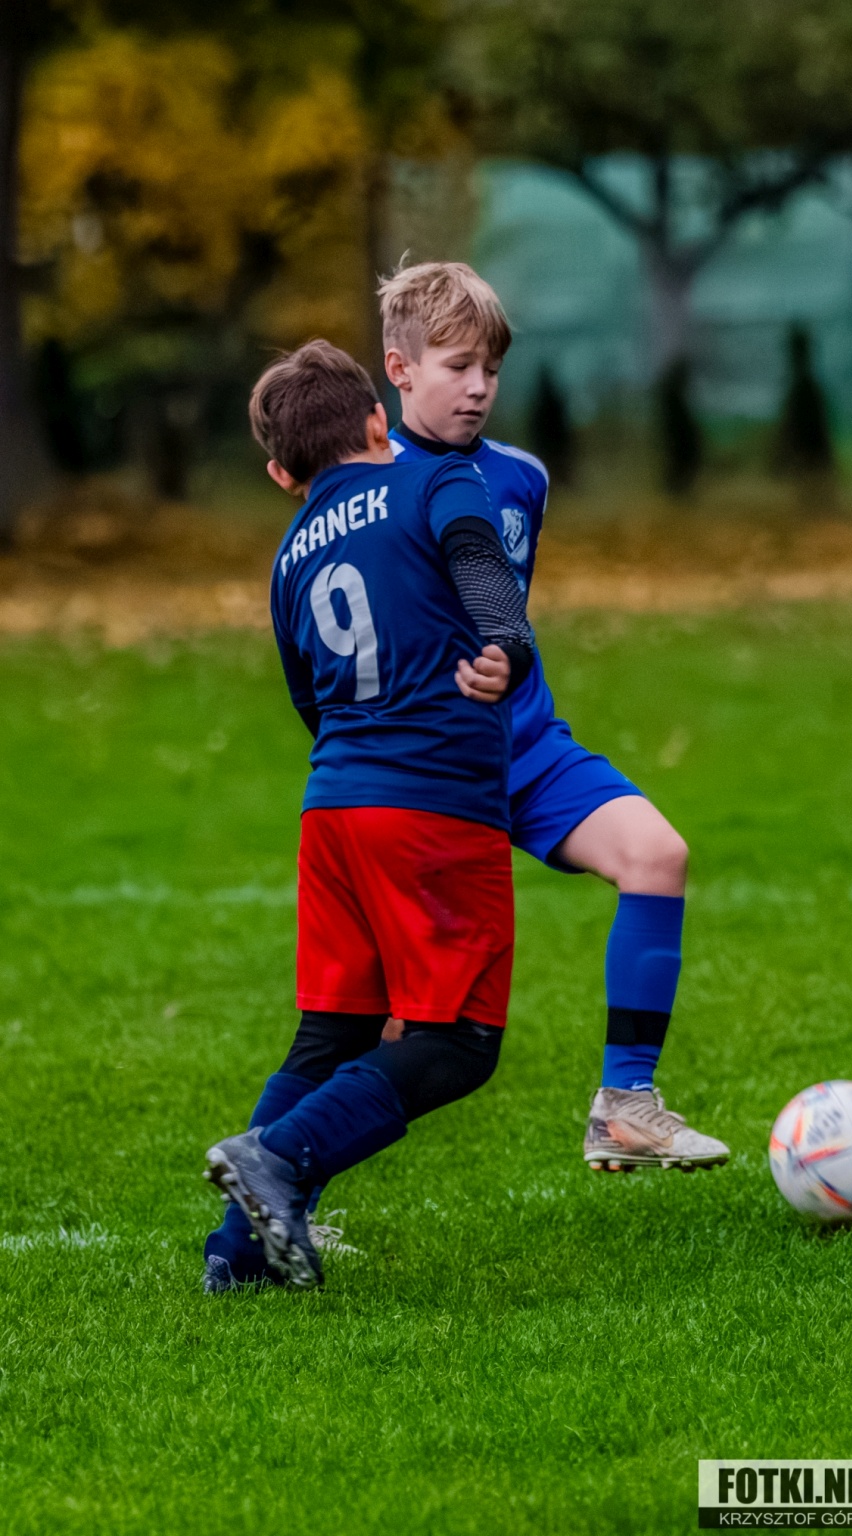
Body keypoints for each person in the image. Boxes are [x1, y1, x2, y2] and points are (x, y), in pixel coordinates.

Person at [379, 262, 729, 1174]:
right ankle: (288, 1186)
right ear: (399, 369)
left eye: (491, 368)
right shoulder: (366, 487)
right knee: (383, 1018)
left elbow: (504, 612)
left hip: (526, 747)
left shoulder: (521, 478)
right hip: (424, 770)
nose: (479, 387)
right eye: (457, 366)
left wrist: (507, 659)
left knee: (657, 855)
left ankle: (625, 1106)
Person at [203, 339, 534, 1290]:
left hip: (334, 810)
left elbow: (307, 698)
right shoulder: (435, 478)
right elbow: (480, 562)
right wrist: (506, 640)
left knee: (334, 1033)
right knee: (458, 1042)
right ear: (380, 423)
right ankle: (282, 1157)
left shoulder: (287, 558)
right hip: (432, 804)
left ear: (282, 475)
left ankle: (238, 1256)